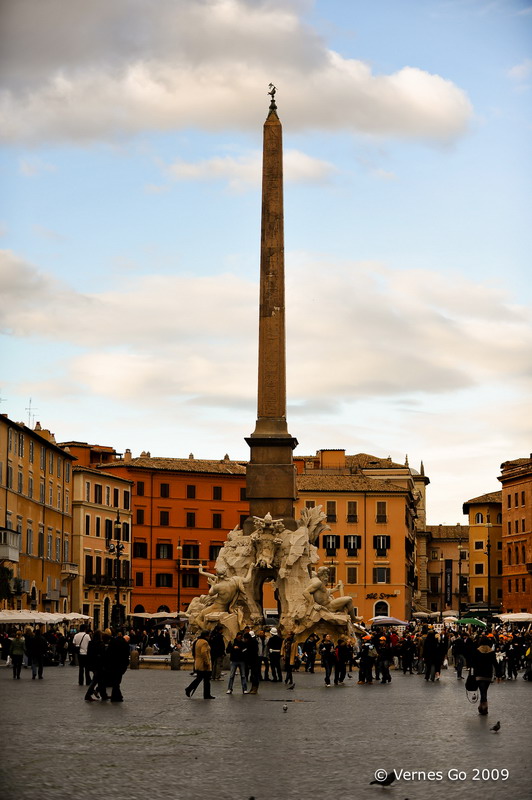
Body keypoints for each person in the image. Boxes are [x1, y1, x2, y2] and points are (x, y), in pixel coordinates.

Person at [471, 635, 497, 715]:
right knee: (484, 690)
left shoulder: (477, 651)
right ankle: (482, 706)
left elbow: (473, 663)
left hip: (479, 674)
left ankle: (484, 707)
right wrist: (499, 674)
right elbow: (495, 663)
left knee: (483, 691)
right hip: (488, 674)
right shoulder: (491, 652)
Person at [185, 630, 215, 700]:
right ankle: (206, 695)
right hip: (203, 665)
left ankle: (189, 689)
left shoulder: (197, 641)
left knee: (199, 678)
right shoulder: (204, 642)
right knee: (206, 680)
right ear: (206, 636)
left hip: (198, 663)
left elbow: (194, 652)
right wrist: (207, 663)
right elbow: (204, 653)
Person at [103, 629, 130, 702]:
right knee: (117, 681)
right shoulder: (124, 644)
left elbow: (108, 654)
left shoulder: (113, 643)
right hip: (121, 665)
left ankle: (116, 696)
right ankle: (116, 696)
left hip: (113, 664)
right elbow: (127, 655)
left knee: (115, 681)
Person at [84, 630, 108, 701]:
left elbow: (89, 653)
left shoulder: (91, 643)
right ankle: (88, 694)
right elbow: (103, 654)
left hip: (92, 663)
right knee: (96, 680)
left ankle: (103, 694)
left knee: (100, 679)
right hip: (99, 664)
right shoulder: (100, 644)